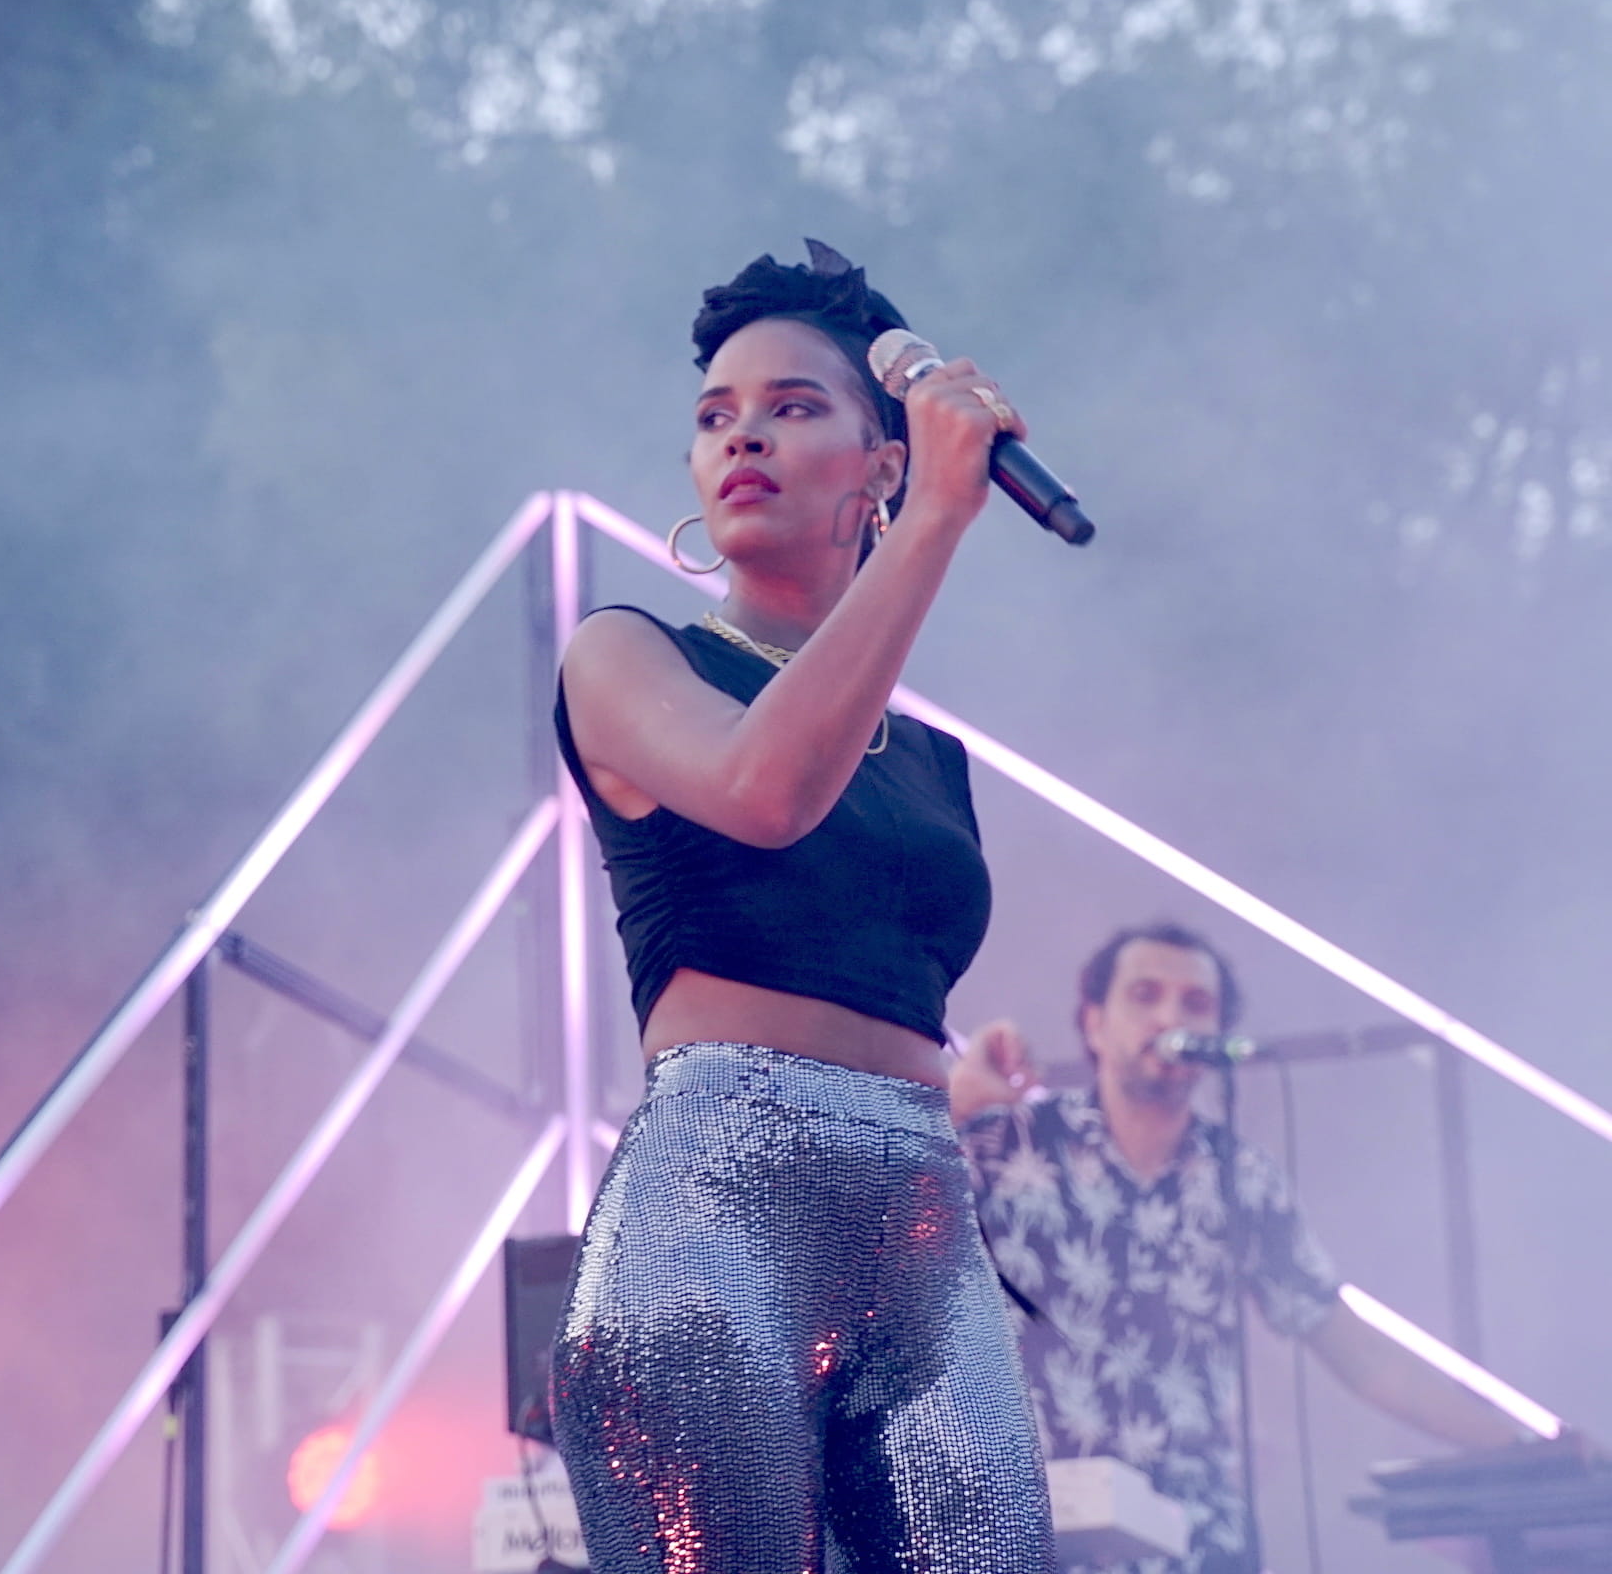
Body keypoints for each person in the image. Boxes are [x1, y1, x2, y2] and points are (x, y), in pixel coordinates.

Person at [548, 240, 1059, 1574]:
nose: (743, 436)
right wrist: (938, 522)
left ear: (880, 461)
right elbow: (762, 790)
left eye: (791, 405)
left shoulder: (932, 761)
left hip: (925, 1232)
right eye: (715, 415)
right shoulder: (626, 654)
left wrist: (965, 1093)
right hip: (716, 1216)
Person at [951, 921, 1530, 1574]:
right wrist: (952, 1107)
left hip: (1198, 1541)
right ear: (1093, 1022)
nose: (1170, 1016)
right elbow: (877, 1239)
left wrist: (1522, 1446)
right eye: (1144, 994)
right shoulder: (1010, 1145)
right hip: (1033, 1533)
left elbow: (1361, 1355)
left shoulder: (1242, 1178)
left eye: (1196, 1003)